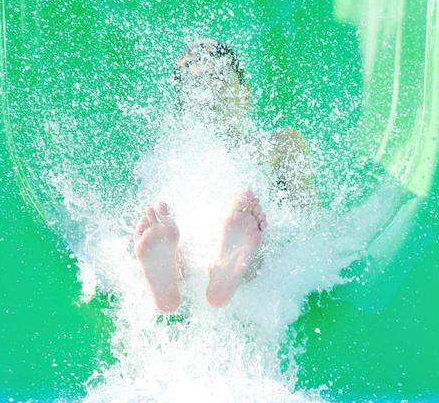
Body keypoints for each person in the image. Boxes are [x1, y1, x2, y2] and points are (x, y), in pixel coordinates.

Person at [134, 39, 312, 313]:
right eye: (195, 85)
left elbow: (305, 219)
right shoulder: (168, 156)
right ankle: (182, 268)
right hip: (212, 245)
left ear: (246, 95)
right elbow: (313, 225)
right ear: (183, 109)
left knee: (272, 240)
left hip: (248, 249)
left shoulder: (279, 145)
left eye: (218, 80)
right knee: (165, 229)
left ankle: (197, 269)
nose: (208, 93)